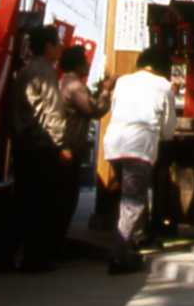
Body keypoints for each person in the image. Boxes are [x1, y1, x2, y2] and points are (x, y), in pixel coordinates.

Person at [0, 24, 70, 273]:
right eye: (57, 42)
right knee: (39, 203)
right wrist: (61, 144)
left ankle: (5, 255)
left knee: (24, 201)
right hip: (41, 146)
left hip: (25, 143)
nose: (60, 47)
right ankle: (34, 258)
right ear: (47, 46)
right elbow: (53, 112)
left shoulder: (27, 71)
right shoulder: (44, 72)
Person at [103, 46, 177, 274]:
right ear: (160, 66)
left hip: (115, 144)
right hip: (139, 146)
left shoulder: (123, 82)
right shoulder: (164, 86)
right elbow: (168, 128)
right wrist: (163, 135)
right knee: (133, 201)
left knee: (129, 197)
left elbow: (115, 110)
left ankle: (133, 241)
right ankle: (119, 253)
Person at [57, 45, 114, 251]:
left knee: (64, 196)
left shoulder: (64, 81)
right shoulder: (75, 86)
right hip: (69, 146)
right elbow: (95, 109)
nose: (88, 64)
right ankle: (56, 243)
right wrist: (106, 90)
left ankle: (55, 241)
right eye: (85, 61)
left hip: (64, 145)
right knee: (66, 197)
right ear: (78, 64)